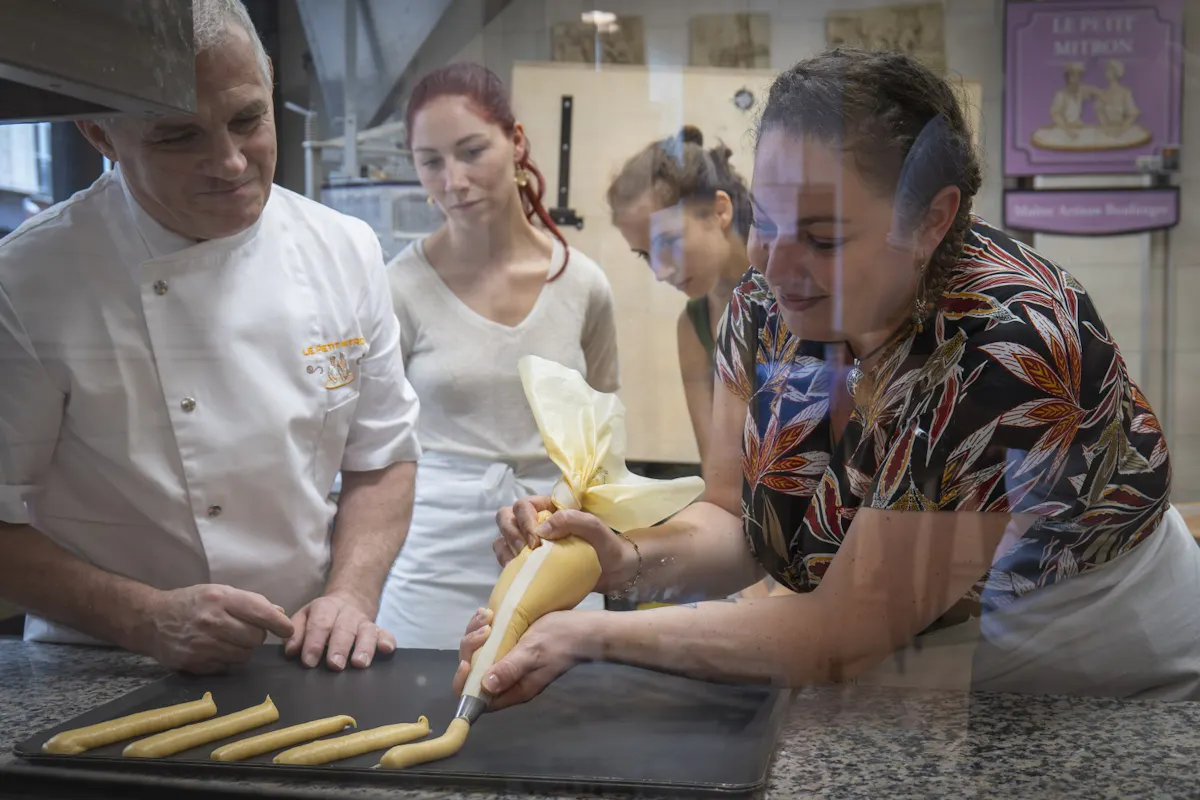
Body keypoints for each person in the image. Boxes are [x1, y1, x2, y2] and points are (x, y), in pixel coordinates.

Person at [457, 48, 1200, 706]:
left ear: (931, 220)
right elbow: (733, 520)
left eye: (822, 237)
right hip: (924, 649)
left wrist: (590, 637)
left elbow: (833, 636)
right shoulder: (766, 301)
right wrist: (622, 560)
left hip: (1098, 659)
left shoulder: (1007, 348)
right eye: (767, 222)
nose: (774, 265)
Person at [0, 0, 421, 676]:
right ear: (99, 133)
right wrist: (142, 617)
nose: (229, 162)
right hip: (103, 663)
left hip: (301, 653)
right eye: (178, 137)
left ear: (270, 81)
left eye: (248, 119)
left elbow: (382, 459)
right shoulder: (28, 281)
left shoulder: (344, 249)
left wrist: (349, 595)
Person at [375, 63, 619, 649]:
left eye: (471, 151)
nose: (453, 180)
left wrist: (595, 533)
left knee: (566, 697)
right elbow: (372, 446)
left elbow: (606, 441)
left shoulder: (582, 284)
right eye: (431, 161)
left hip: (555, 543)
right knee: (418, 694)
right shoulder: (397, 288)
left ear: (516, 142)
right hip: (432, 557)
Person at [606, 126, 752, 468]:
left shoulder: (799, 291)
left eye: (667, 242)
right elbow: (717, 472)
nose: (660, 272)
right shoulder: (693, 326)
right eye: (645, 254)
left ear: (719, 211)